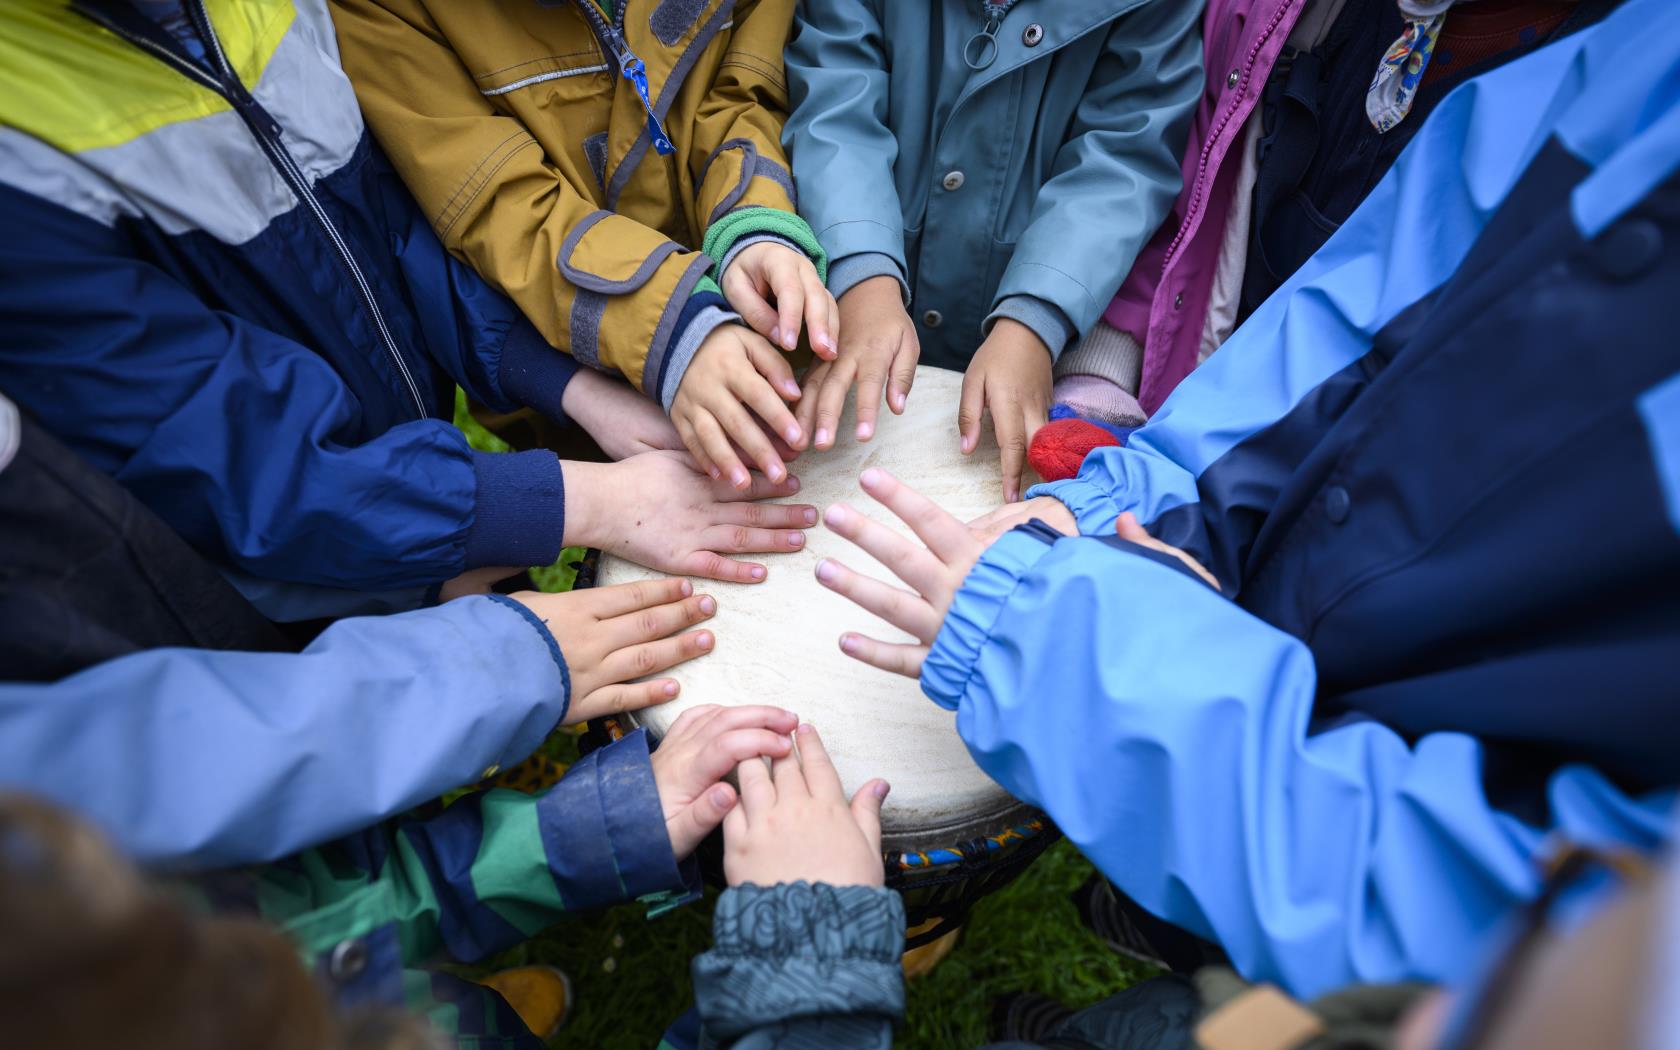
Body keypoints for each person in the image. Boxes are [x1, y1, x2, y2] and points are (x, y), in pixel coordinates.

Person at [807, 0, 1680, 999]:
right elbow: (1352, 316)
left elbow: (1535, 951)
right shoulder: (1647, 59)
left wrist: (1058, 645)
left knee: (1211, 987)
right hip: (1226, 640)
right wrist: (1135, 503)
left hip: (1340, 945)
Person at [0, 0, 813, 622]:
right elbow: (232, 455)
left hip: (419, 499)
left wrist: (570, 388)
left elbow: (399, 230)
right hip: (250, 608)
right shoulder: (19, 149)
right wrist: (575, 505)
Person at [1030, 0, 1621, 481]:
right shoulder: (1277, 16)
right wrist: (1106, 368)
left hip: (1366, 494)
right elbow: (1178, 167)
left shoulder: (1619, 106)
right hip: (1179, 424)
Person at [329, 0, 835, 495]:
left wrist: (753, 224)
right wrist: (672, 327)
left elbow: (745, 89)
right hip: (585, 358)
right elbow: (496, 203)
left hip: (732, 347)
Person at [781, 0, 1206, 501]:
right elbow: (835, 102)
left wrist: (1034, 320)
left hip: (1044, 339)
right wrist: (863, 274)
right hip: (851, 312)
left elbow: (1122, 159)